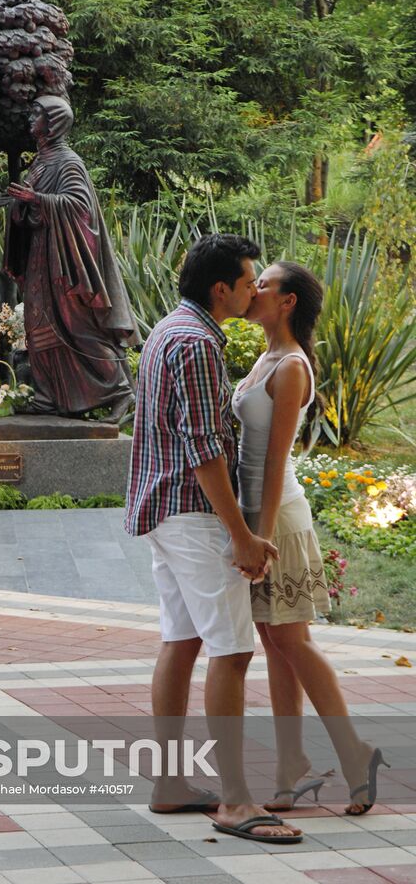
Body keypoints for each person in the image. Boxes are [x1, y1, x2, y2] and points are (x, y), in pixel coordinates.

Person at [125, 233, 302, 843]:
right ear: (220, 288)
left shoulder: (169, 329)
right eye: (249, 280)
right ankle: (234, 801)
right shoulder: (197, 344)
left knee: (181, 641)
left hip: (162, 511)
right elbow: (205, 451)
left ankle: (172, 783)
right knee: (230, 649)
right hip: (195, 516)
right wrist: (243, 536)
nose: (256, 288)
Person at [233, 261, 387, 816]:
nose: (254, 290)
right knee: (276, 642)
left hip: (278, 521)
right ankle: (291, 765)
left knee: (291, 641)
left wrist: (262, 536)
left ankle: (354, 754)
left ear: (288, 301)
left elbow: (275, 464)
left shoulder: (292, 366)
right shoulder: (266, 357)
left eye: (264, 284)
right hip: (257, 517)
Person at [4, 95, 140, 421]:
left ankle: (121, 391)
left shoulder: (68, 162)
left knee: (77, 327)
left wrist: (36, 198)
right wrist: (22, 206)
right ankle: (49, 397)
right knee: (38, 327)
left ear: (52, 122)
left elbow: (80, 206)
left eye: (36, 113)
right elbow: (29, 212)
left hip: (65, 260)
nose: (30, 119)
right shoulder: (40, 162)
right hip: (42, 255)